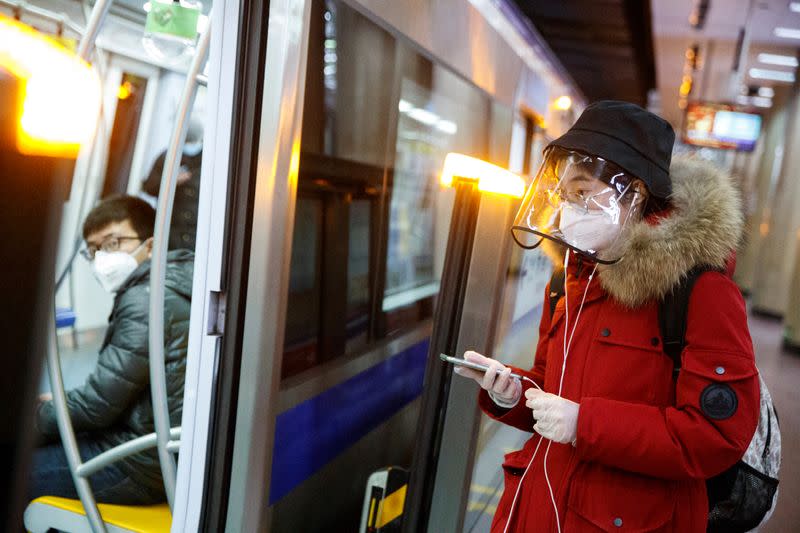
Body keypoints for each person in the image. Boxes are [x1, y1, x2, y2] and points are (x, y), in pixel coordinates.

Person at [455, 101, 760, 532]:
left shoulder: (700, 292)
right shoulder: (571, 279)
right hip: (541, 506)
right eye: (564, 194)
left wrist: (585, 423)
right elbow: (551, 387)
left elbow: (716, 435)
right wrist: (512, 390)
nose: (566, 210)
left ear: (632, 195)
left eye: (581, 194)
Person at [30, 195, 193, 505]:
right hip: (154, 450)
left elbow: (97, 407)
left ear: (151, 245)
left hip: (136, 465)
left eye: (112, 243)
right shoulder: (174, 282)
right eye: (93, 250)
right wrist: (58, 405)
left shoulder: (146, 298)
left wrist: (33, 415)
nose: (101, 259)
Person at [142, 119, 203, 251]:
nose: (190, 145)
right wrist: (171, 182)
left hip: (196, 230)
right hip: (169, 226)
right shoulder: (167, 157)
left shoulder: (208, 159)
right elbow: (149, 187)